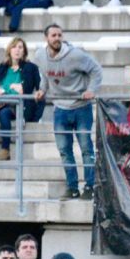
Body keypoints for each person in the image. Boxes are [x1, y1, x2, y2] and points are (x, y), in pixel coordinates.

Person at [33, 24, 104, 200]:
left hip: (81, 107)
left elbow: (96, 70)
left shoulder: (75, 55)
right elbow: (45, 77)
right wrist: (42, 90)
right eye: (53, 35)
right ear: (46, 38)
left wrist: (91, 89)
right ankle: (72, 187)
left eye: (59, 35)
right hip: (60, 109)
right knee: (65, 150)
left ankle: (90, 186)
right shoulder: (39, 56)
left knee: (86, 148)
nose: (57, 38)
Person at [0, 37, 42, 160]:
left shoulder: (31, 68)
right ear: (9, 50)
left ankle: (5, 150)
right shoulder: (2, 67)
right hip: (1, 102)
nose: (17, 50)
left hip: (19, 105)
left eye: (20, 47)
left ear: (24, 51)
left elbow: (39, 89)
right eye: (14, 47)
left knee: (4, 114)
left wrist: (22, 89)